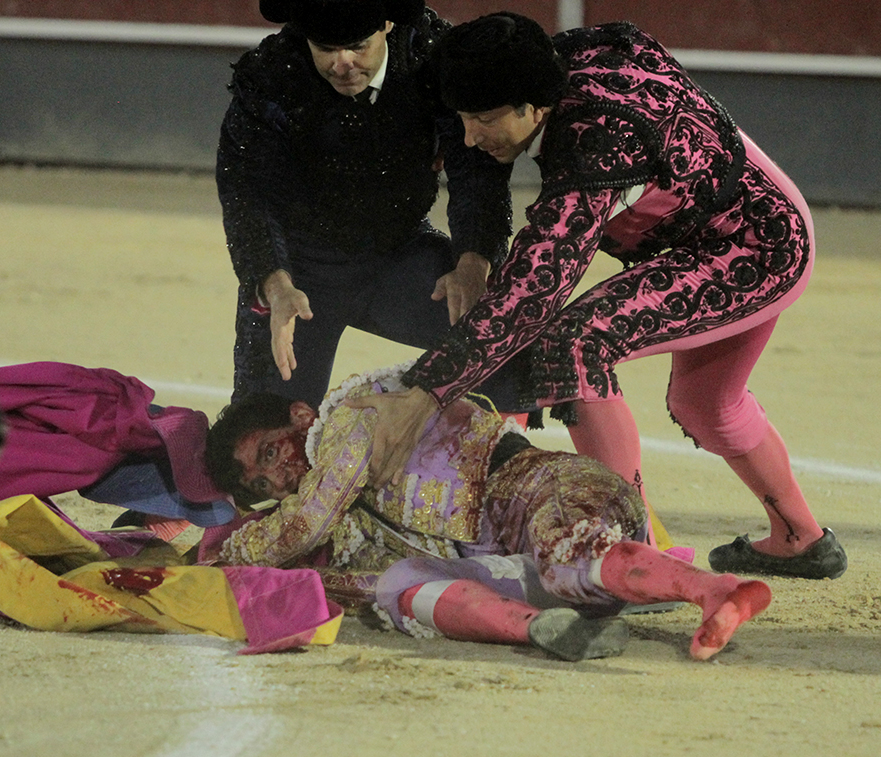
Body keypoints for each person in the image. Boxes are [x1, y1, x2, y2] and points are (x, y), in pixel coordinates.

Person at [350, 12, 847, 580]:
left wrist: (423, 393)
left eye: (482, 119)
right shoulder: (549, 66)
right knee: (706, 404)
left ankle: (635, 558)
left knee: (574, 342)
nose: (467, 137)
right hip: (748, 215)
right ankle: (801, 538)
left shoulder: (596, 141)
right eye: (462, 118)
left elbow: (532, 293)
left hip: (756, 248)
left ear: (534, 109)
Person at [201, 365, 772, 661]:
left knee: (565, 550)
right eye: (260, 482)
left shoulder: (354, 413)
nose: (277, 478)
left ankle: (713, 590)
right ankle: (541, 631)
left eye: (269, 452)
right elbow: (352, 572)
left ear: (301, 416)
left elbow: (303, 525)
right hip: (540, 578)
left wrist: (226, 550)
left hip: (548, 489)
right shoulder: (348, 511)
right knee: (399, 585)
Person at [218, 0, 520, 410]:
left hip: (400, 255)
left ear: (388, 23)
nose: (342, 63)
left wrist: (474, 259)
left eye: (358, 46)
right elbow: (248, 190)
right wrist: (274, 282)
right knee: (263, 436)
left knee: (507, 350)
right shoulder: (271, 73)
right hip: (301, 274)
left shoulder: (432, 56)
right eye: (325, 48)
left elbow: (475, 167)